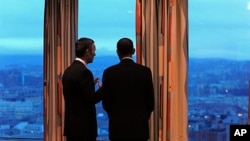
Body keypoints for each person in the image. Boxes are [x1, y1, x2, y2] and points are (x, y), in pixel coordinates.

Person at [101, 37, 155, 141]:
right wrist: (142, 118)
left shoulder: (109, 72)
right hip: (140, 128)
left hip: (117, 128)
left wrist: (115, 117)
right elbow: (150, 103)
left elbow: (106, 103)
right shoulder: (145, 72)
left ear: (117, 52)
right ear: (133, 51)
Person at [62, 37, 102, 141]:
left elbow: (76, 95)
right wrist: (103, 89)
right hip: (84, 129)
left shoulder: (68, 71)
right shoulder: (84, 72)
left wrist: (90, 85)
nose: (95, 54)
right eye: (94, 50)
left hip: (72, 127)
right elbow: (91, 99)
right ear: (87, 52)